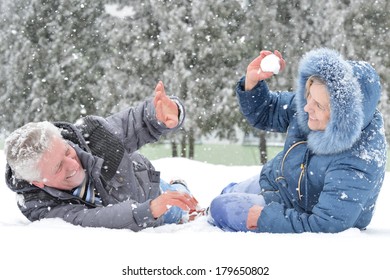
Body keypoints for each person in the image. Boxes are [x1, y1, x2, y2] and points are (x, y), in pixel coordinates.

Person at [209, 48, 387, 233]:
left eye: (318, 104)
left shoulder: (359, 160)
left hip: (295, 209)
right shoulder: (309, 105)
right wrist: (252, 81)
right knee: (227, 192)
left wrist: (266, 219)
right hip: (276, 181)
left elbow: (327, 224)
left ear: (343, 117)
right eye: (308, 94)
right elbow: (266, 111)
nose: (307, 107)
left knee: (220, 207)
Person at [5, 81, 204, 231]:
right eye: (58, 167)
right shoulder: (37, 203)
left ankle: (178, 185)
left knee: (180, 205)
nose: (73, 164)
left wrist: (164, 115)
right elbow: (87, 219)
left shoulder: (94, 135)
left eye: (67, 151)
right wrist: (144, 211)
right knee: (163, 208)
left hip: (144, 186)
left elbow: (136, 121)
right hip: (146, 208)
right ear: (38, 182)